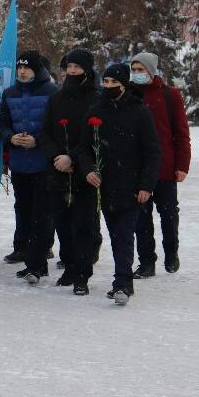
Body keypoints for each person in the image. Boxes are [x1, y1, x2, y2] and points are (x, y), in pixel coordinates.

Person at [77, 63, 161, 305]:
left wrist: (146, 185)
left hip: (131, 186)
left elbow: (152, 152)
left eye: (115, 83)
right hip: (102, 186)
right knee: (111, 234)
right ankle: (101, 277)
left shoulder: (140, 112)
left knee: (124, 235)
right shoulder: (95, 112)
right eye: (106, 82)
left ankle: (123, 282)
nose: (110, 87)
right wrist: (88, 171)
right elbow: (83, 149)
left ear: (125, 85)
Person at [34, 48, 100, 294]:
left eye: (77, 67)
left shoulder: (96, 99)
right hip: (57, 171)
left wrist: (73, 158)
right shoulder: (56, 99)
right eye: (69, 67)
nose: (72, 71)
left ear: (87, 69)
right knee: (62, 223)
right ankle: (71, 266)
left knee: (83, 225)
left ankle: (83, 273)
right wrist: (56, 157)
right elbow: (45, 133)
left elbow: (94, 137)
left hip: (85, 172)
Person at [129, 52, 191, 277]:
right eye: (134, 70)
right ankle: (146, 261)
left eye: (140, 70)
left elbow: (181, 132)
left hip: (165, 167)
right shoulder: (128, 93)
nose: (136, 74)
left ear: (151, 70)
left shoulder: (169, 95)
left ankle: (171, 252)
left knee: (168, 214)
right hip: (137, 169)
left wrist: (182, 164)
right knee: (141, 218)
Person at [0, 50, 58, 273]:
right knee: (23, 210)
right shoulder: (10, 93)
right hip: (20, 163)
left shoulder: (51, 91)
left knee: (41, 213)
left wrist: (37, 140)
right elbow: (2, 122)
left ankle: (38, 261)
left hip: (44, 163)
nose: (22, 71)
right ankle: (27, 253)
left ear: (37, 69)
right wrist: (10, 137)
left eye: (27, 67)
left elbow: (56, 126)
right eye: (20, 67)